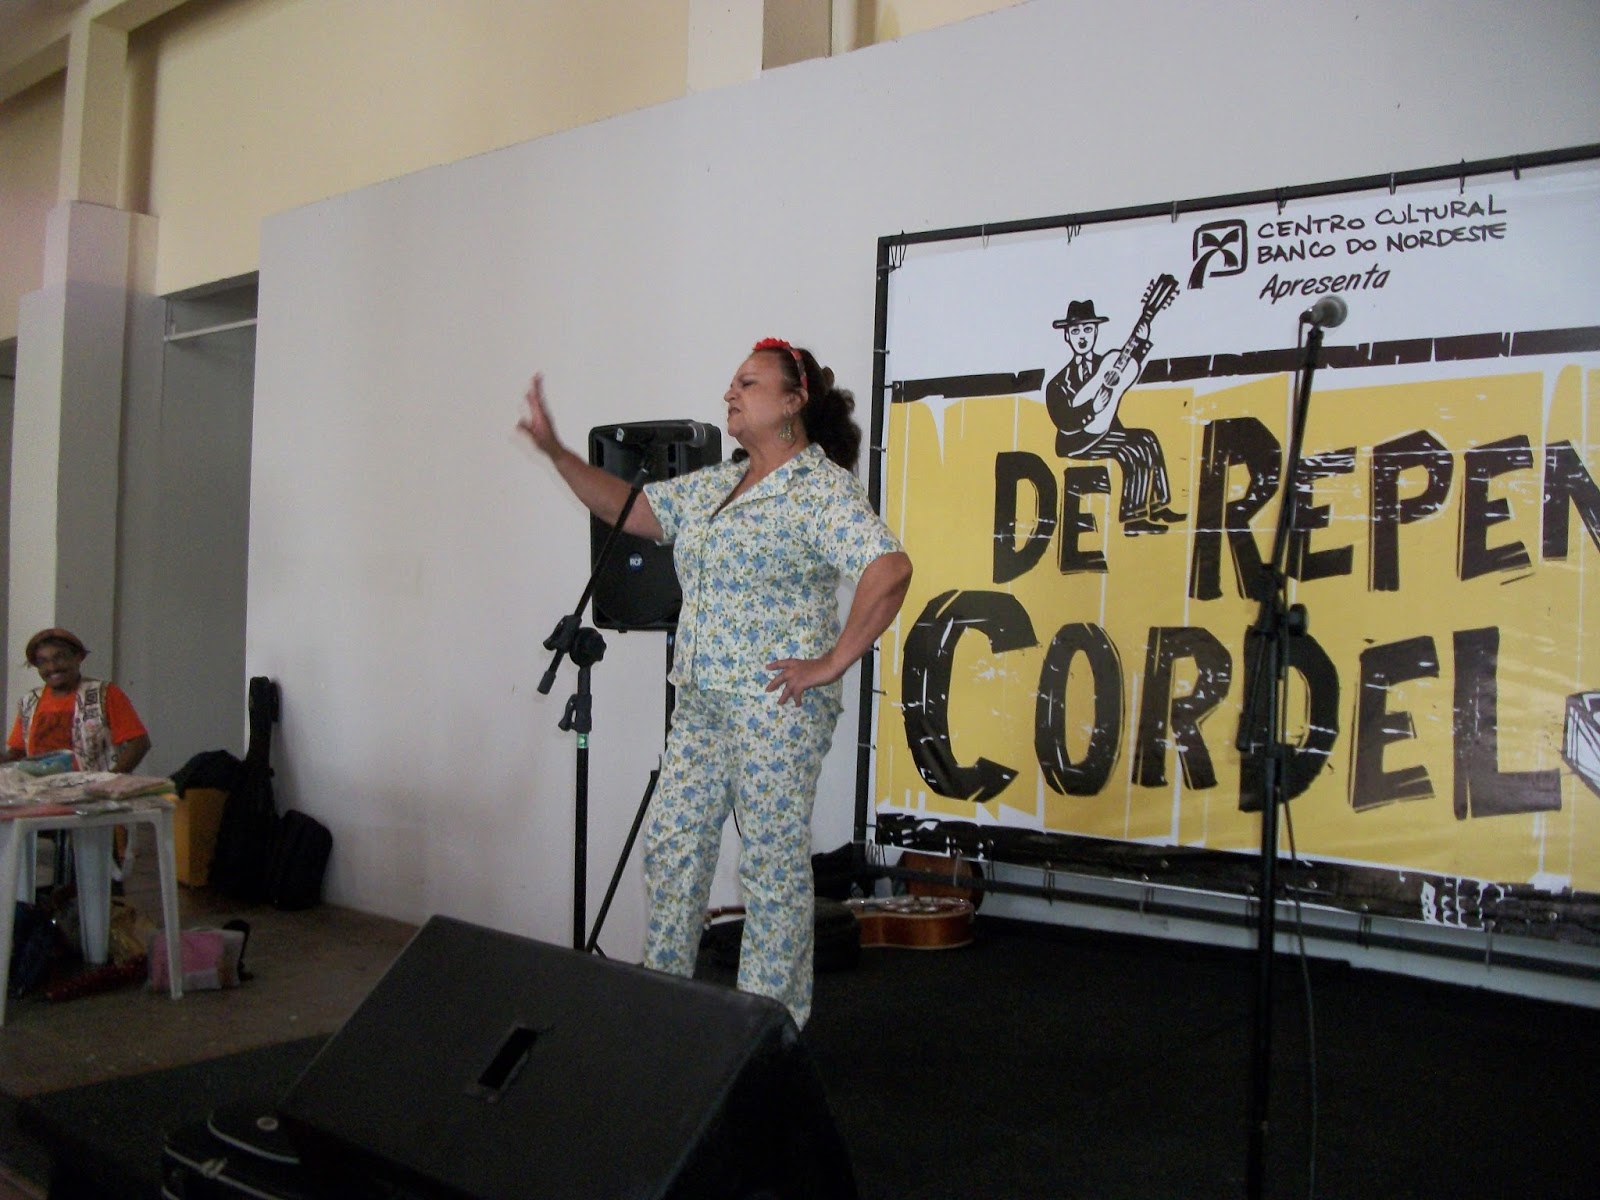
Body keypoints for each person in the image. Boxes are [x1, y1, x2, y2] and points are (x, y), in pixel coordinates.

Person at [517, 339, 912, 1027]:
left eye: (749, 383)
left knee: (770, 867)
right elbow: (632, 511)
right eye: (732, 382)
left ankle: (769, 1028)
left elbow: (890, 569)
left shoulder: (818, 489)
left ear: (793, 401)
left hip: (775, 708)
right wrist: (557, 453)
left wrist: (830, 663)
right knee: (673, 846)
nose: (730, 393)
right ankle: (665, 1012)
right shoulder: (719, 485)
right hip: (700, 702)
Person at [6, 627, 153, 878]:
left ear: (78, 657)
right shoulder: (29, 701)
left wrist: (108, 783)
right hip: (40, 799)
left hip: (89, 800)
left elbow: (139, 743)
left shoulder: (105, 694)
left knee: (91, 879)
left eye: (60, 657)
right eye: (43, 661)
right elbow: (17, 753)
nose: (52, 666)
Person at [1044, 297, 1185, 535]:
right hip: (1077, 441)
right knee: (1134, 448)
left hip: (1107, 431)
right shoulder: (1058, 383)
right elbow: (1064, 421)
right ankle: (1133, 517)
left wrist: (1141, 340)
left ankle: (1158, 505)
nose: (1082, 337)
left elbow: (1128, 368)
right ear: (1067, 335)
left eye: (1088, 330)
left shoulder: (1108, 362)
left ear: (1096, 332)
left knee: (1148, 438)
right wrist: (1092, 408)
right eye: (1075, 331)